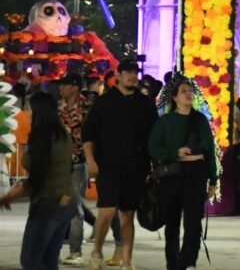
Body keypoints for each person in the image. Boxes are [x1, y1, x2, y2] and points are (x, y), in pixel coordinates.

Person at [82, 59, 158, 270]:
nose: (132, 76)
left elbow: (154, 136)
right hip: (108, 165)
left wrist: (154, 166)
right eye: (128, 72)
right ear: (118, 74)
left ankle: (127, 261)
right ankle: (96, 250)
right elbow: (88, 133)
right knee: (106, 211)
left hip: (136, 167)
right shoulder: (105, 102)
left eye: (135, 72)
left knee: (127, 215)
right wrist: (90, 160)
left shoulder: (145, 104)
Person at [0, 92, 77, 270]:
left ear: (39, 112)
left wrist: (10, 197)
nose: (27, 113)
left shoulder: (41, 137)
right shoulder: (62, 134)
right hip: (65, 201)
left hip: (48, 203)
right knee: (48, 261)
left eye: (29, 109)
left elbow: (37, 179)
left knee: (31, 260)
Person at [149, 79, 217, 270]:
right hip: (172, 175)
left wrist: (213, 179)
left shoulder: (200, 120)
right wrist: (174, 153)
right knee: (172, 222)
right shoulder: (165, 121)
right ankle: (172, 263)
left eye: (190, 91)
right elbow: (154, 147)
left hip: (196, 174)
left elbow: (210, 150)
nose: (188, 94)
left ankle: (187, 261)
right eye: (183, 91)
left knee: (193, 222)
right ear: (175, 97)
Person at [57, 72, 93, 266]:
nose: (60, 88)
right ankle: (54, 249)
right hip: (59, 164)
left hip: (79, 163)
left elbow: (92, 136)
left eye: (64, 84)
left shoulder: (87, 108)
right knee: (57, 206)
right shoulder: (59, 107)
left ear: (75, 87)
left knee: (75, 208)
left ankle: (75, 251)